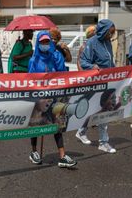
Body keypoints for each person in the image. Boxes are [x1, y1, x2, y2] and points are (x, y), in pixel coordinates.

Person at [27, 31, 76, 168]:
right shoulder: (34, 60)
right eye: (42, 42)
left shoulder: (55, 56)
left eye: (47, 42)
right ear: (38, 43)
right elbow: (31, 79)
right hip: (40, 98)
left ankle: (62, 156)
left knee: (57, 125)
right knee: (36, 126)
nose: (45, 44)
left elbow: (63, 74)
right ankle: (34, 152)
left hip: (54, 97)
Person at [77, 19, 117, 154]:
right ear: (104, 31)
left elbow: (109, 61)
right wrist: (94, 67)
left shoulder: (108, 43)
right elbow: (83, 61)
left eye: (112, 33)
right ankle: (82, 131)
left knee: (105, 111)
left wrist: (117, 72)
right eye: (109, 33)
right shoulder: (92, 43)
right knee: (92, 109)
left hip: (107, 82)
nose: (111, 36)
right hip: (95, 82)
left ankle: (103, 142)